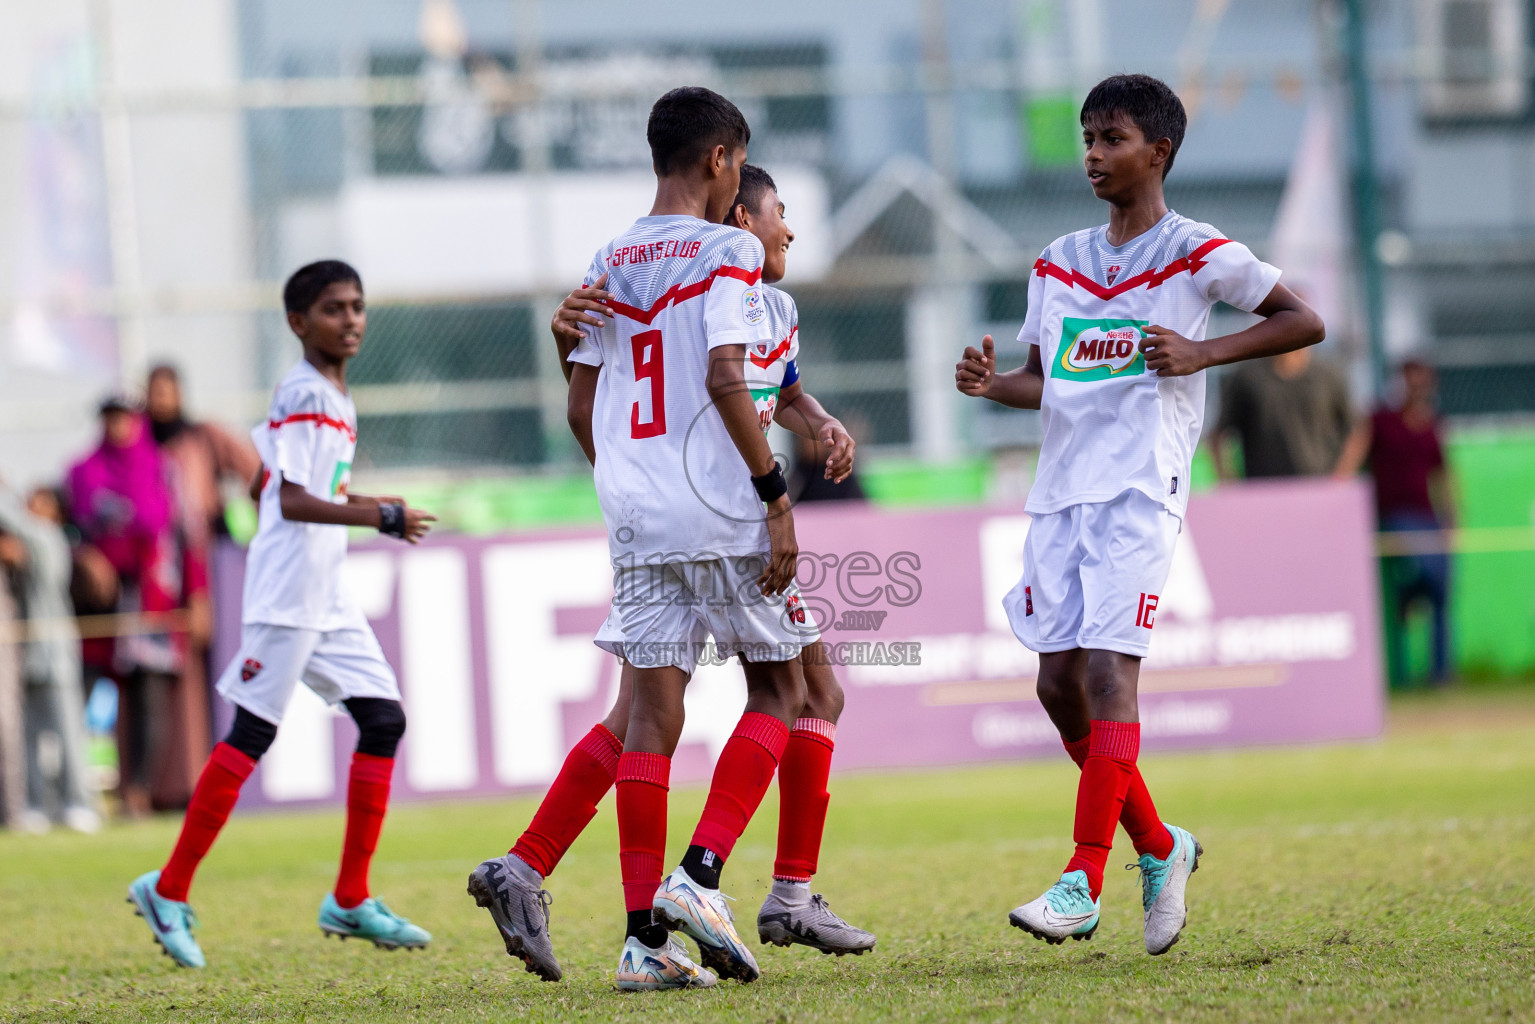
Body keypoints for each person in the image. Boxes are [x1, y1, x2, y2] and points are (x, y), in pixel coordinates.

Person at [468, 163, 872, 987]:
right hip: (725, 517)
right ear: (737, 213)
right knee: (796, 690)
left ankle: (610, 918)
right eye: (777, 213)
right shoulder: (716, 273)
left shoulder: (749, 302)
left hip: (649, 522)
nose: (787, 230)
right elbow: (723, 381)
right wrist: (772, 496)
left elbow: (772, 388)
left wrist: (819, 420)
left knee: (646, 713)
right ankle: (722, 883)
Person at [954, 74, 1323, 954]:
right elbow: (1045, 383)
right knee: (1055, 686)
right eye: (1087, 138)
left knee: (1110, 679)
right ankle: (1161, 848)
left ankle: (1081, 880)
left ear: (1157, 151)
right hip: (1058, 496)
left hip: (1137, 494)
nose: (1092, 153)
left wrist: (1204, 350)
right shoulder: (1058, 259)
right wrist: (987, 384)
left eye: (1110, 139)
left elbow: (1301, 319)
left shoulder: (1197, 251)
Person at [126, 260, 437, 969]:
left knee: (383, 720)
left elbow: (290, 484)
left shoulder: (330, 393)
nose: (351, 319)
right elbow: (292, 498)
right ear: (298, 322)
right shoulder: (303, 391)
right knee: (251, 734)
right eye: (334, 309)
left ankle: (351, 898)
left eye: (357, 306)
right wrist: (380, 514)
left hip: (324, 591)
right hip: (288, 593)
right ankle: (167, 889)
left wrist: (364, 504)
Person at [65, 396, 185, 816]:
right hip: (97, 601)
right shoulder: (84, 470)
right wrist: (87, 556)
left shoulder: (159, 467)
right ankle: (73, 790)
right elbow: (73, 526)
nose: (119, 427)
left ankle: (137, 790)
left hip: (148, 595)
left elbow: (175, 531)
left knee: (148, 693)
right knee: (81, 688)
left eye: (125, 418)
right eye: (110, 419)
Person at [1334, 359, 1454, 684]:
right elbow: (1353, 457)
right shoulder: (1381, 420)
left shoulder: (1432, 425)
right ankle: (1398, 668)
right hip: (1393, 519)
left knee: (1442, 591)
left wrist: (1452, 519)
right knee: (1420, 574)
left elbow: (1444, 475)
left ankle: (1441, 674)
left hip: (1427, 518)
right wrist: (1334, 492)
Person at [0, 484, 99, 833]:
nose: (30, 506)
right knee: (29, 737)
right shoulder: (27, 549)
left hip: (56, 654)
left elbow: (17, 521)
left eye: (39, 502)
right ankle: (37, 805)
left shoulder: (49, 539)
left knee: (68, 733)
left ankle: (80, 803)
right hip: (27, 656)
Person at [1211, 346, 1352, 479]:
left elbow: (1356, 429)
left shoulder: (1328, 375)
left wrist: (1340, 475)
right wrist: (1228, 482)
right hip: (1264, 490)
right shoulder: (1247, 377)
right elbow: (1218, 434)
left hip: (1318, 485)